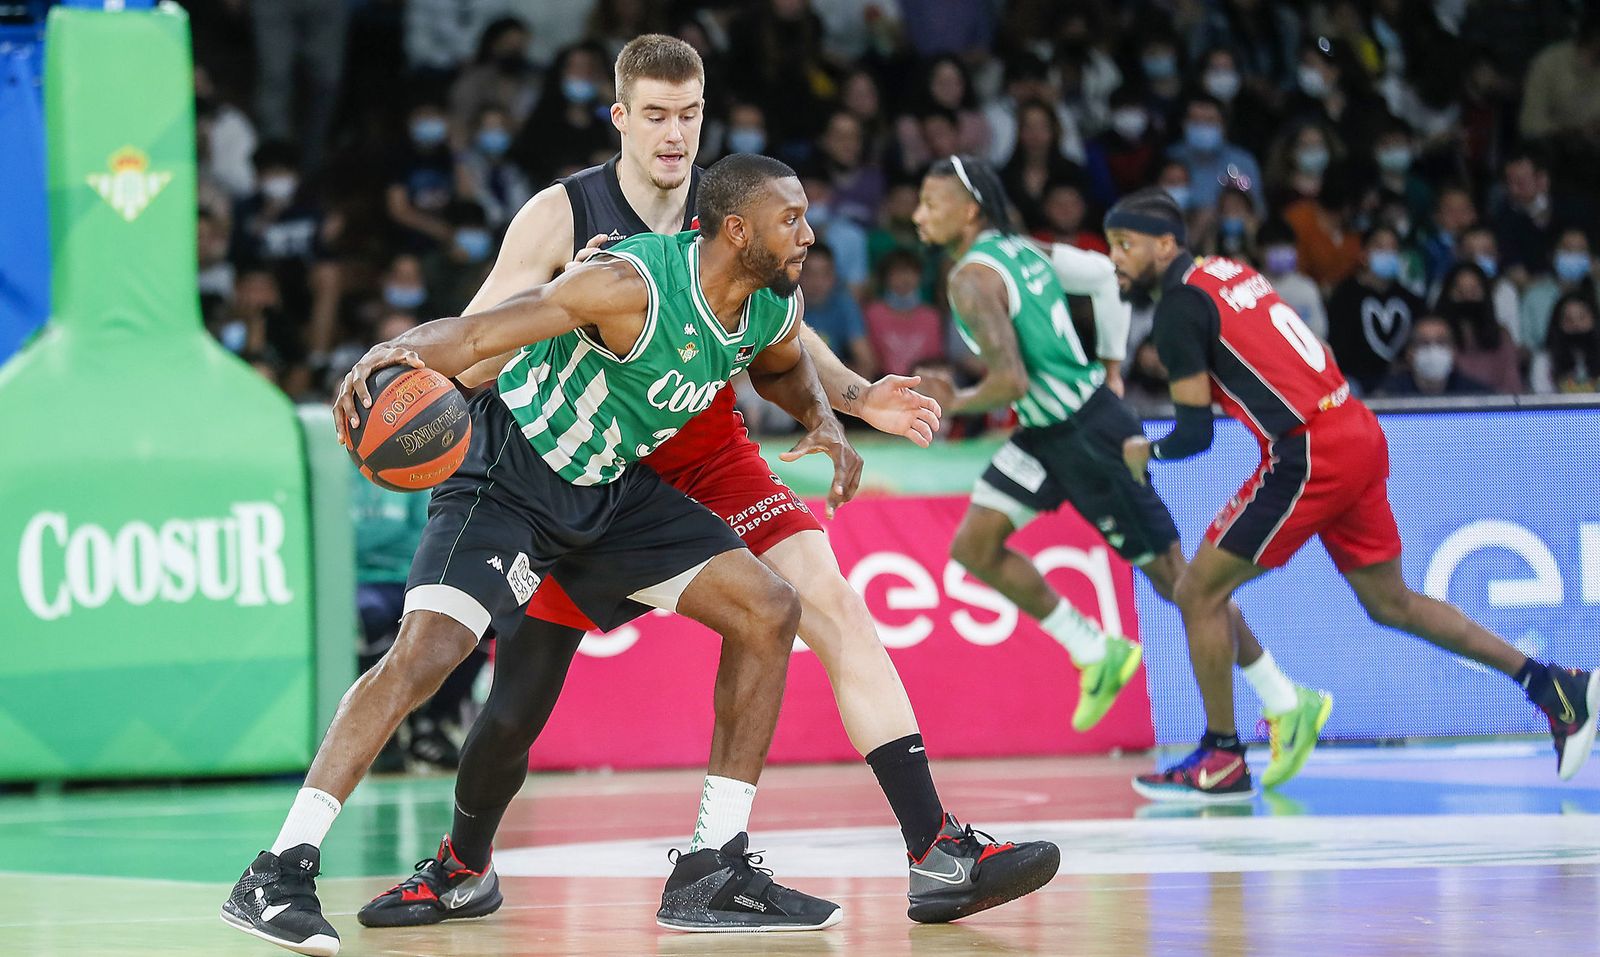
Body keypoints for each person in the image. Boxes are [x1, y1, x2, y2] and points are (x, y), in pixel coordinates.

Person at [351, 35, 1057, 939]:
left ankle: (935, 848)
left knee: (823, 598)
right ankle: (461, 864)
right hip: (586, 456)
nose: (676, 132)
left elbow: (780, 323)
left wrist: (849, 398)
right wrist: (446, 425)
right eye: (657, 115)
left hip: (705, 440)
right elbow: (488, 330)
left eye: (689, 114)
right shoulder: (563, 214)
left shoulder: (734, 205)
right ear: (622, 118)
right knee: (519, 704)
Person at [223, 150, 864, 957]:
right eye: (791, 218)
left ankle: (713, 868)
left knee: (769, 607)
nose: (809, 231)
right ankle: (277, 870)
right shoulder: (631, 285)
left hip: (609, 491)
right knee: (427, 655)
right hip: (509, 472)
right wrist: (388, 357)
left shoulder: (771, 303)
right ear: (736, 231)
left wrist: (826, 416)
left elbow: (782, 366)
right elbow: (482, 331)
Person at [1106, 187, 1598, 802]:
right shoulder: (1229, 272)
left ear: (1165, 244)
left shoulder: (1179, 307)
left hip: (1310, 449)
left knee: (1197, 589)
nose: (1116, 258)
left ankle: (1222, 758)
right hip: (1354, 426)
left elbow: (1194, 434)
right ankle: (1553, 686)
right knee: (1389, 602)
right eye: (1110, 247)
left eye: (1125, 244)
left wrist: (1142, 451)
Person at [911, 157, 1324, 791]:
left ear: (969, 211)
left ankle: (1285, 699)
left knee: (1183, 585)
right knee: (975, 544)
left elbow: (1011, 381)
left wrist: (951, 402)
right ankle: (1095, 650)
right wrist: (1108, 361)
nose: (917, 215)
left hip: (1086, 438)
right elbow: (1106, 274)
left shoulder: (970, 277)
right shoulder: (1024, 249)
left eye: (930, 204)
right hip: (1051, 430)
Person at [1326, 225, 1424, 394]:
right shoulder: (1344, 295)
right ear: (1364, 254)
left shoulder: (1410, 298)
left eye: (1393, 248)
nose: (1387, 253)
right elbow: (1338, 345)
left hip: (1400, 379)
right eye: (1380, 247)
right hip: (1354, 378)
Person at [1376, 314, 1491, 397]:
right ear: (1409, 353)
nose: (1433, 350)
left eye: (1441, 342)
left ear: (1453, 351)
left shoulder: (1476, 396)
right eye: (1424, 343)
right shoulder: (1388, 396)